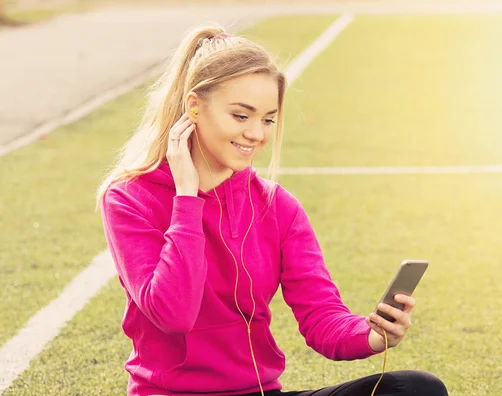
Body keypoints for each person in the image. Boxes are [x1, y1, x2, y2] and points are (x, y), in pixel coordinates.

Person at [96, 26, 447, 396]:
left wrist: (374, 335)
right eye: (241, 116)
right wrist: (186, 198)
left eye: (267, 119)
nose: (256, 134)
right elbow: (174, 314)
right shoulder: (130, 198)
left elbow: (321, 316)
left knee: (416, 389)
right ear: (194, 107)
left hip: (260, 392)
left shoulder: (277, 206)